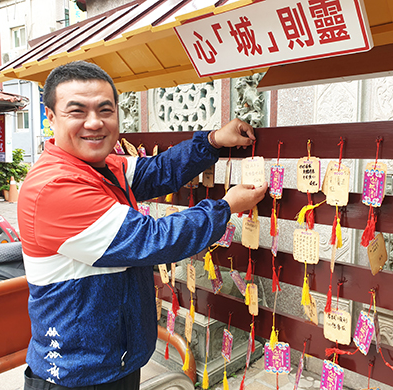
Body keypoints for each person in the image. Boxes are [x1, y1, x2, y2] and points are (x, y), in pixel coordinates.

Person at [18, 60, 267, 390]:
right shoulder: (55, 189)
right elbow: (155, 240)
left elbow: (160, 170)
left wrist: (212, 141)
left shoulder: (102, 166)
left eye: (105, 110)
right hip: (77, 374)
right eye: (77, 111)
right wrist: (226, 207)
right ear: (50, 117)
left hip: (113, 363)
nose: (94, 122)